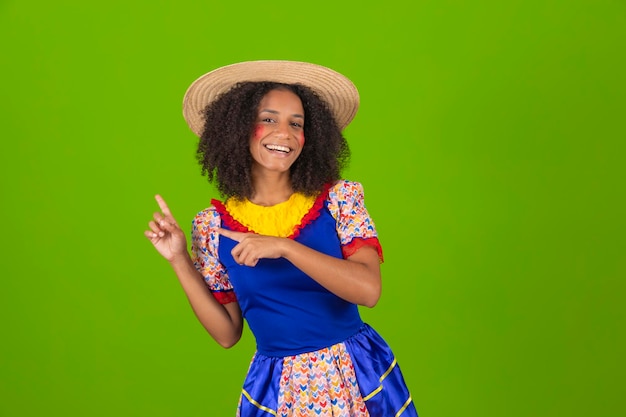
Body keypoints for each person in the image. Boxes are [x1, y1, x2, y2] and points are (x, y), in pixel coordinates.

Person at [145, 60, 418, 417]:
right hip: (278, 386)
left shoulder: (339, 200)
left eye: (297, 123)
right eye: (268, 119)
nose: (284, 133)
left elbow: (368, 290)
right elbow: (227, 334)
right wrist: (179, 259)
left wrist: (285, 247)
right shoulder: (212, 228)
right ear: (239, 129)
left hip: (354, 375)